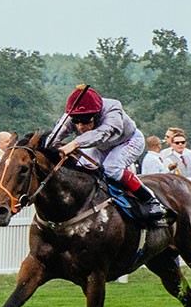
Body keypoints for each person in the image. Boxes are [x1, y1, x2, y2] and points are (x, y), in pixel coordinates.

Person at [47, 85, 165, 226]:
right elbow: (55, 135)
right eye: (75, 121)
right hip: (100, 146)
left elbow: (103, 133)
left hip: (127, 141)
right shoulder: (73, 113)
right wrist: (45, 147)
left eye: (85, 121)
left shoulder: (113, 108)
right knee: (83, 168)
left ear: (96, 115)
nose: (80, 127)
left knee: (111, 168)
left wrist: (73, 144)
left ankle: (150, 200)